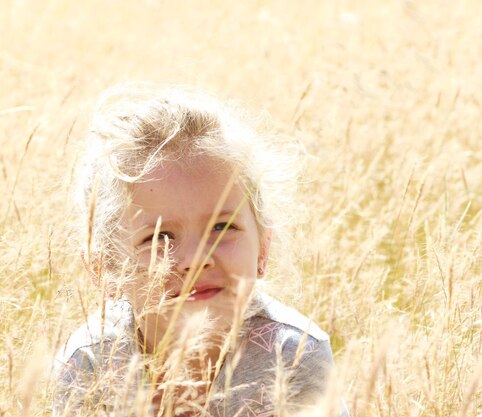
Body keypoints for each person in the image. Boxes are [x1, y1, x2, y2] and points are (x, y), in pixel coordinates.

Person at [53, 85, 349, 417]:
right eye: (159, 237)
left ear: (263, 248)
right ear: (105, 267)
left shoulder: (294, 356)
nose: (195, 260)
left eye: (223, 227)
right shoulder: (91, 365)